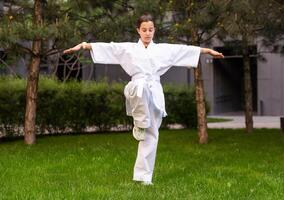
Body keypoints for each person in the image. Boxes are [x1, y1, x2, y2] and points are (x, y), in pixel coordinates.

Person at [63, 14, 224, 185]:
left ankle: (144, 177)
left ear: (154, 31)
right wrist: (83, 45)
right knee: (141, 86)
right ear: (138, 31)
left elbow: (182, 50)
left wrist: (207, 51)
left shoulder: (162, 49)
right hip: (137, 89)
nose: (148, 33)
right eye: (144, 30)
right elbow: (110, 48)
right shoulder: (130, 49)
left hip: (155, 93)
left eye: (151, 30)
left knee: (151, 136)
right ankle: (140, 120)